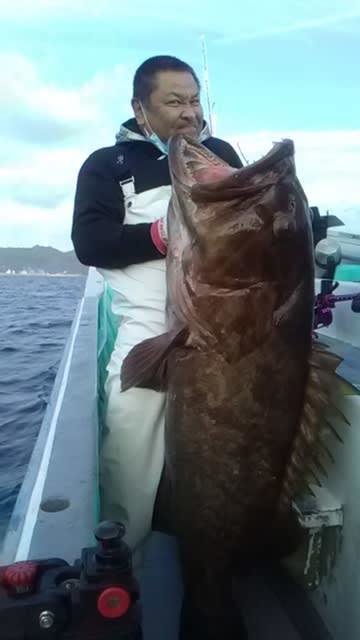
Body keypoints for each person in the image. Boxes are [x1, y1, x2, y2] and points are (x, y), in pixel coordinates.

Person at [71, 55, 243, 555]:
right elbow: (91, 242)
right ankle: (123, 561)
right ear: (139, 107)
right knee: (131, 420)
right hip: (148, 322)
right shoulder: (108, 164)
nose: (189, 112)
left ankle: (224, 542)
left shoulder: (221, 152)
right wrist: (159, 234)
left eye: (194, 100)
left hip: (222, 316)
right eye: (174, 101)